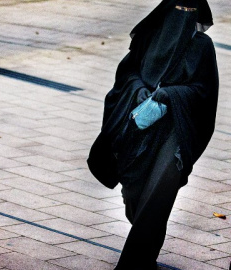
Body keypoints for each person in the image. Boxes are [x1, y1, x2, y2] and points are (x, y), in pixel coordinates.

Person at [87, 0, 219, 269]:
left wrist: (170, 95)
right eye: (178, 9)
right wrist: (138, 90)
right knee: (134, 197)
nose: (182, 16)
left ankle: (136, 263)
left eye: (189, 11)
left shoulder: (202, 46)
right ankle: (146, 248)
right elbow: (127, 73)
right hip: (138, 131)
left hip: (175, 133)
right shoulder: (148, 37)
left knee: (157, 196)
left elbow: (205, 93)